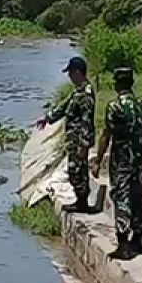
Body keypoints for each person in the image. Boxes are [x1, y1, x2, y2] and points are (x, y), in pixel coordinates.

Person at [92, 67, 142, 259]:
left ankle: (123, 244)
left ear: (116, 84)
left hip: (121, 162)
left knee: (121, 198)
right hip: (139, 161)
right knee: (138, 198)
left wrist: (98, 160)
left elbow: (106, 136)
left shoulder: (114, 107)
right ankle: (137, 241)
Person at [38, 56, 97, 212]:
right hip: (73, 140)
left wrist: (84, 144)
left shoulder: (86, 94)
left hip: (79, 140)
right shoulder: (77, 92)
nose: (69, 77)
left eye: (71, 73)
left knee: (78, 170)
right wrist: (47, 118)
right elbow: (63, 107)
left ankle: (82, 202)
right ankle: (80, 200)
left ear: (78, 72)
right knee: (74, 170)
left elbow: (86, 121)